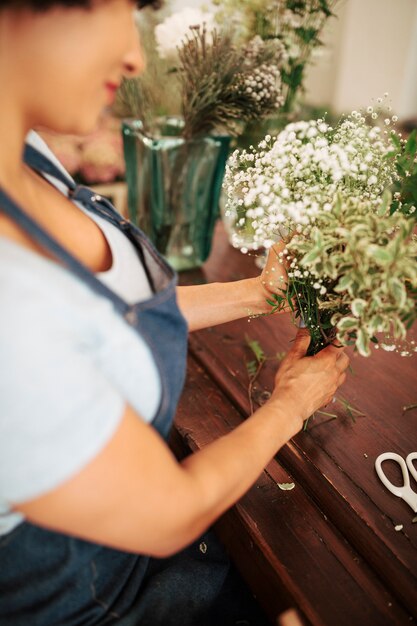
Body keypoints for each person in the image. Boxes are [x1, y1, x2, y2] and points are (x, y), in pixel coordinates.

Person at [0, 1, 350, 624]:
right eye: (117, 9)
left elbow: (108, 321)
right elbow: (166, 515)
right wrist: (291, 404)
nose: (135, 56)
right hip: (100, 601)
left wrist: (257, 293)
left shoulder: (27, 156)